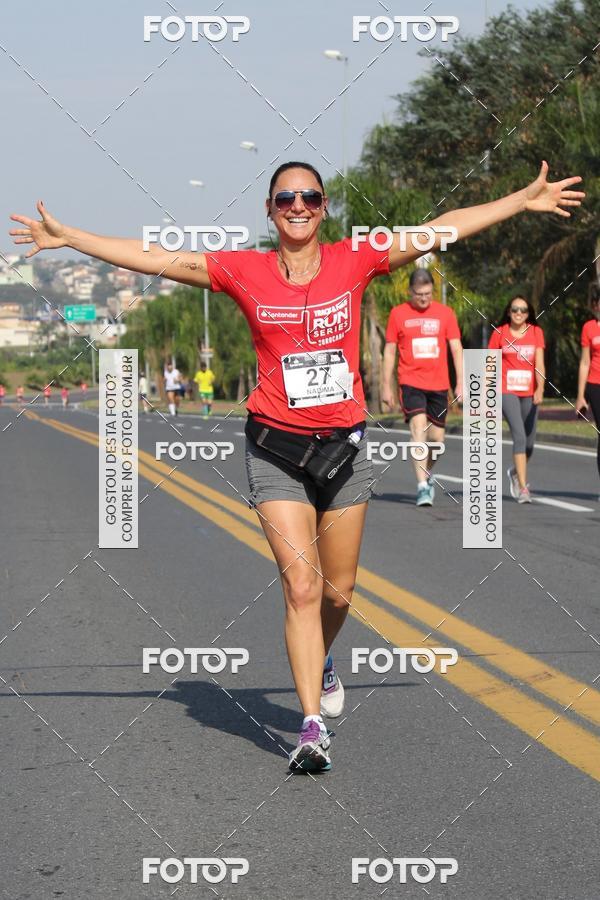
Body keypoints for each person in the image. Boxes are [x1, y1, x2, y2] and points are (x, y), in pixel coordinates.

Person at [10, 160, 584, 772]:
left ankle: (324, 658)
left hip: (343, 450)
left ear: (324, 206)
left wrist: (521, 199)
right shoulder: (243, 269)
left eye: (310, 196)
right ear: (270, 209)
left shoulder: (356, 259)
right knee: (302, 587)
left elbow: (443, 227)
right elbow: (152, 257)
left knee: (339, 592)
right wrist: (72, 238)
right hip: (275, 450)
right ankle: (311, 729)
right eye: (286, 198)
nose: (298, 206)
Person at [382, 269, 463, 506]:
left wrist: (461, 382)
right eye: (419, 294)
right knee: (418, 429)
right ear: (410, 292)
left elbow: (456, 348)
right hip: (410, 382)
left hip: (438, 384)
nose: (424, 298)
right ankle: (421, 487)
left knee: (437, 440)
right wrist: (386, 387)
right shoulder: (398, 314)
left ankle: (426, 473)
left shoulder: (445, 314)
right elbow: (389, 351)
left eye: (428, 293)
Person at [488, 297, 545, 503]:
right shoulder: (499, 333)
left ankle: (514, 472)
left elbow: (539, 364)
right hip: (506, 390)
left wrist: (540, 388)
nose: (519, 313)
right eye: (515, 310)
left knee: (529, 443)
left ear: (529, 313)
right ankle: (523, 488)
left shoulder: (536, 333)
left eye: (523, 310)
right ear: (509, 312)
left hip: (529, 392)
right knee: (519, 436)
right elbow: (490, 365)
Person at [576, 292, 600, 496]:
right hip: (595, 384)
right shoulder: (589, 328)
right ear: (596, 305)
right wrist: (580, 395)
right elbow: (585, 362)